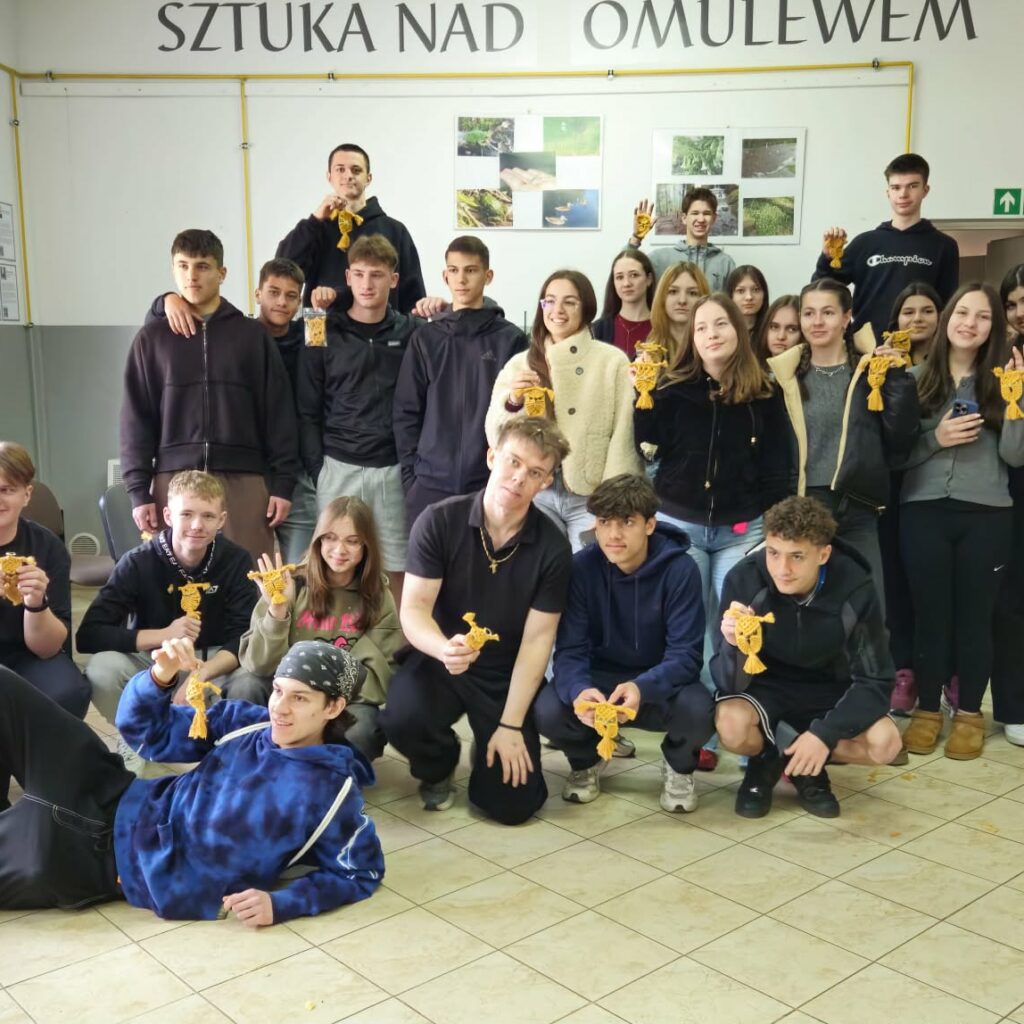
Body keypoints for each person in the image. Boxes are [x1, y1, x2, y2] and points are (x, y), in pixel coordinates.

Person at [0, 637, 383, 925]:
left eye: (300, 699)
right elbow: (146, 733)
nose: (279, 709)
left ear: (334, 707)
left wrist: (281, 904)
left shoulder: (331, 794)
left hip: (94, 860)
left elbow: (360, 872)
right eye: (278, 691)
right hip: (105, 786)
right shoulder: (247, 723)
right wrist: (160, 677)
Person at [380, 417, 572, 825]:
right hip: (439, 658)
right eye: (513, 462)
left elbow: (538, 641)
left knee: (514, 806)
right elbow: (413, 609)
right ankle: (438, 764)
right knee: (401, 717)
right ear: (491, 457)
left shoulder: (553, 547)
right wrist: (442, 648)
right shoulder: (438, 520)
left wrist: (510, 725)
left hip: (503, 672)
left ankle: (490, 746)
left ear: (546, 482)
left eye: (534, 472)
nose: (519, 478)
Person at [635, 293, 795, 767]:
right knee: (692, 629)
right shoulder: (671, 388)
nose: (710, 334)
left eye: (720, 324)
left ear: (738, 331)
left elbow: (779, 468)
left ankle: (744, 731)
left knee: (738, 628)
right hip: (680, 524)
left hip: (742, 529)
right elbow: (646, 445)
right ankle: (701, 732)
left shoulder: (764, 393)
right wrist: (642, 395)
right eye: (701, 327)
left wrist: (773, 527)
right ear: (692, 337)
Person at [712, 496, 902, 819]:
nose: (782, 570)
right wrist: (733, 647)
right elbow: (727, 683)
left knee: (886, 744)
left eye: (797, 556)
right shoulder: (744, 579)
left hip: (830, 690)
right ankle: (766, 761)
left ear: (823, 554)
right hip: (766, 689)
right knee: (730, 724)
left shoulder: (855, 585)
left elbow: (876, 680)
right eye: (774, 553)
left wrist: (824, 735)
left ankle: (805, 764)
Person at [120, 229, 300, 562]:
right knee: (173, 583)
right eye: (183, 265)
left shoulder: (251, 336)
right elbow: (136, 420)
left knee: (249, 579)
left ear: (222, 273)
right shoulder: (151, 339)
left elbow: (278, 414)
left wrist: (283, 484)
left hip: (244, 481)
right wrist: (138, 491)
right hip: (173, 480)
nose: (191, 275)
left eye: (202, 266)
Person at [534, 474, 712, 810]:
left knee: (699, 710)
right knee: (548, 709)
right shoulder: (581, 568)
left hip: (658, 682)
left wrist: (642, 687)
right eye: (605, 522)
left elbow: (686, 656)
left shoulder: (681, 569)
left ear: (649, 525)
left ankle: (678, 766)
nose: (613, 534)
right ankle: (587, 760)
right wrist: (579, 691)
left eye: (627, 522)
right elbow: (570, 650)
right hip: (600, 681)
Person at [899, 284, 1024, 760]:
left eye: (983, 316)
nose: (970, 323)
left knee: (977, 617)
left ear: (995, 328)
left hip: (988, 514)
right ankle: (928, 710)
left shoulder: (1002, 379)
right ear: (948, 317)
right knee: (929, 615)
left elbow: (1015, 455)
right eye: (963, 313)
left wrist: (1016, 400)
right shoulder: (913, 380)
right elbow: (894, 456)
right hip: (923, 511)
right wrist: (938, 437)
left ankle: (969, 712)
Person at [78, 471, 260, 770]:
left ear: (221, 520)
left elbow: (243, 635)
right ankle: (136, 737)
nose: (197, 525)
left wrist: (200, 676)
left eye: (208, 516)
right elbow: (89, 635)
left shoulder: (236, 559)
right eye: (186, 514)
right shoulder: (137, 561)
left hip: (213, 660)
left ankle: (220, 748)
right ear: (168, 515)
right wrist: (164, 635)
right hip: (155, 659)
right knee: (102, 669)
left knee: (251, 681)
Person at [768, 278, 919, 606]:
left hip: (856, 504)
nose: (817, 322)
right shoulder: (783, 376)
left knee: (870, 606)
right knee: (809, 608)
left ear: (847, 317)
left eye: (828, 312)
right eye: (809, 313)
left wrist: (896, 379)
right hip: (803, 504)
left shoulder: (871, 370)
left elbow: (902, 438)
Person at [299, 235, 420, 603]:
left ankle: (396, 638)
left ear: (393, 280)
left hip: (391, 469)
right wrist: (318, 469)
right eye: (360, 274)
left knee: (397, 566)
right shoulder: (320, 327)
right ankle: (336, 636)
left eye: (377, 275)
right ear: (348, 277)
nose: (368, 284)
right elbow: (307, 404)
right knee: (333, 565)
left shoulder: (412, 331)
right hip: (337, 466)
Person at [486, 270, 643, 552]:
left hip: (591, 494)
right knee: (539, 568)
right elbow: (495, 436)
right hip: (536, 492)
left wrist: (611, 501)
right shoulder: (521, 363)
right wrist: (513, 402)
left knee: (590, 568)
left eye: (569, 302)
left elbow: (624, 434)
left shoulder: (612, 361)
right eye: (549, 301)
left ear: (586, 308)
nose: (557, 310)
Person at [238, 497, 402, 761]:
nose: (340, 550)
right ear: (318, 541)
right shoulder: (290, 583)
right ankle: (250, 765)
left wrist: (318, 696)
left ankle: (330, 776)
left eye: (352, 541)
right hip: (284, 690)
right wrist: (278, 611)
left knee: (364, 729)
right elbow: (257, 664)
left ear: (366, 546)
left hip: (338, 700)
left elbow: (378, 678)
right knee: (244, 686)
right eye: (330, 538)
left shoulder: (378, 596)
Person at [393, 236, 527, 527]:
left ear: (488, 276)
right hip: (428, 484)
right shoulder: (425, 338)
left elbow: (520, 417)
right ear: (445, 276)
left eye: (471, 270)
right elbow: (406, 412)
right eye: (454, 270)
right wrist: (411, 479)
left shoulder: (511, 339)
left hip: (489, 482)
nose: (461, 279)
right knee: (426, 559)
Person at [0, 441, 88, 808]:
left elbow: (48, 647)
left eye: (6, 489)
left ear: (26, 494)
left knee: (68, 690)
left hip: (29, 655)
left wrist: (36, 604)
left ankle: (46, 784)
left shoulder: (46, 547)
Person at [878, 282, 942, 713]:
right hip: (889, 489)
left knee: (932, 587)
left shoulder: (952, 365)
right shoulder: (881, 362)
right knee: (895, 584)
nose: (917, 319)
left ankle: (942, 672)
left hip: (933, 490)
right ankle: (902, 670)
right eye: (908, 311)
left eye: (927, 311)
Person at [814, 152, 959, 339]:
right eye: (896, 187)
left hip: (919, 348)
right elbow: (820, 290)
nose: (903, 194)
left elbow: (948, 306)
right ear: (888, 192)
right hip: (866, 348)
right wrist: (827, 257)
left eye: (912, 186)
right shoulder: (864, 243)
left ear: (925, 190)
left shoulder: (944, 246)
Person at [276, 142, 425, 314]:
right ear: (329, 177)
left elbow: (413, 295)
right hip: (322, 326)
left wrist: (412, 328)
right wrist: (314, 220)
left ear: (368, 178)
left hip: (380, 328)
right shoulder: (315, 230)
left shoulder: (395, 230)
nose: (348, 176)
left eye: (356, 170)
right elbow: (281, 271)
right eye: (340, 169)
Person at [993, 265, 1024, 746]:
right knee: (1013, 601)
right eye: (1012, 305)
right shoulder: (1000, 357)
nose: (1020, 313)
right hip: (1013, 487)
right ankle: (1015, 707)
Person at [628, 188, 736, 289]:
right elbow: (625, 273)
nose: (701, 219)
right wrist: (636, 238)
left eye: (706, 213)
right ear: (684, 218)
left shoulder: (725, 263)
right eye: (695, 213)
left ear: (714, 218)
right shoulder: (659, 259)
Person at [592, 249, 655, 359]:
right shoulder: (597, 330)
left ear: (649, 279)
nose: (626, 283)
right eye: (619, 277)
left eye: (634, 275)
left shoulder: (664, 329)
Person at [647, 261, 710, 369]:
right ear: (662, 298)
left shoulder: (714, 349)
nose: (682, 300)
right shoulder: (646, 355)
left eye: (692, 293)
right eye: (673, 292)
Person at [727, 265, 770, 342]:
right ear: (731, 295)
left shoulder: (771, 330)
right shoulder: (724, 331)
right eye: (741, 291)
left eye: (756, 290)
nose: (749, 297)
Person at [756, 294, 801, 362]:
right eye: (774, 327)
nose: (781, 337)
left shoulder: (815, 368)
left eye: (791, 329)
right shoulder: (750, 366)